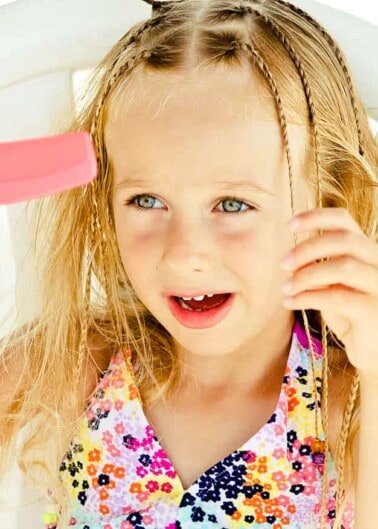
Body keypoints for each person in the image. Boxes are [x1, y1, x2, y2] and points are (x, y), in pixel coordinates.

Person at [1, 0, 377, 528]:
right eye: (147, 201)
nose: (185, 253)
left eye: (233, 205)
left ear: (329, 203)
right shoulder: (71, 363)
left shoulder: (347, 402)